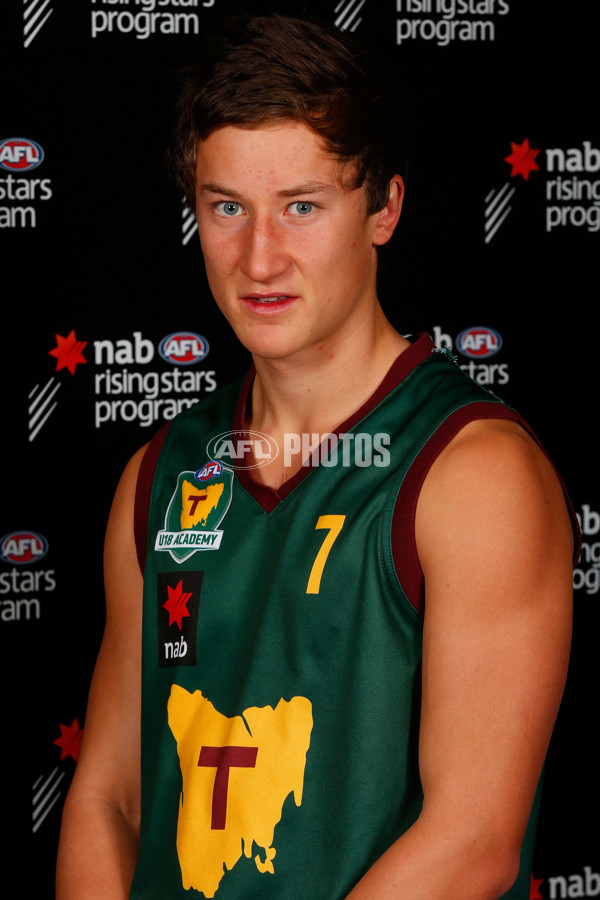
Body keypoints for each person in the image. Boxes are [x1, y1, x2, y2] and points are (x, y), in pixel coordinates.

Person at [56, 14, 578, 900]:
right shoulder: (160, 475)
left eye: (303, 206)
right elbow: (110, 797)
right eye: (228, 208)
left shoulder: (472, 472)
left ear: (384, 210)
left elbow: (474, 841)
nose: (260, 257)